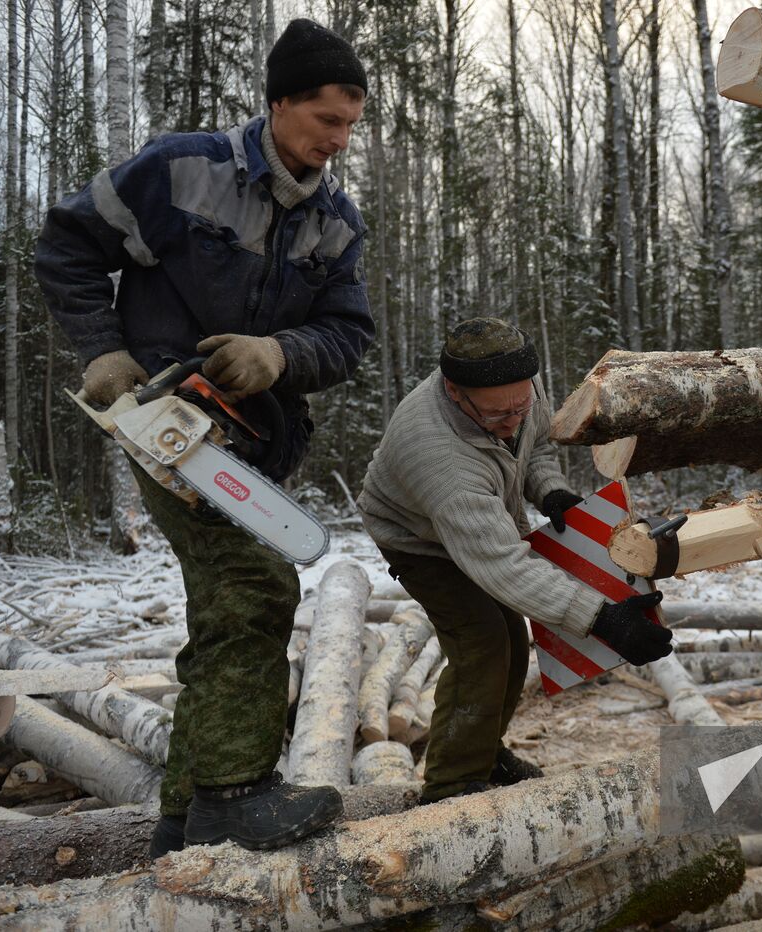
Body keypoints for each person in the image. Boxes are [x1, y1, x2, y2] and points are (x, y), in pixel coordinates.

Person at [34, 18, 375, 856]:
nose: (338, 140)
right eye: (326, 119)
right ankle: (230, 795)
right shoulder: (183, 169)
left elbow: (348, 335)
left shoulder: (335, 220)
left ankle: (184, 818)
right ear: (280, 101)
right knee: (255, 588)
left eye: (351, 125)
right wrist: (104, 351)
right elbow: (67, 243)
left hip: (256, 435)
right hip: (165, 416)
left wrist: (279, 353)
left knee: (229, 604)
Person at [357, 317, 673, 804]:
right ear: (454, 392)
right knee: (482, 641)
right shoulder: (436, 454)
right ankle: (452, 784)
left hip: (479, 520)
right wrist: (604, 619)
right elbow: (504, 566)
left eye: (520, 407)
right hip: (417, 539)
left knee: (510, 637)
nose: (511, 420)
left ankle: (483, 750)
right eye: (496, 416)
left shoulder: (513, 390)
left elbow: (537, 442)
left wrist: (549, 492)